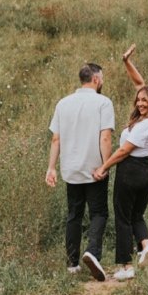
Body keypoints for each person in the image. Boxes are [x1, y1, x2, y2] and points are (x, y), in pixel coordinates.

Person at [92, 44, 148, 281]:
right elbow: (139, 83)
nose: (140, 103)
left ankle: (126, 266)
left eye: (145, 101)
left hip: (131, 171)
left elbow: (123, 151)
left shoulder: (143, 127)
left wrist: (103, 167)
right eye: (139, 100)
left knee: (122, 217)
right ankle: (146, 246)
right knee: (137, 215)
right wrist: (126, 62)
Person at [46, 61, 114, 280]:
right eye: (101, 78)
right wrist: (106, 165)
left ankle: (72, 264)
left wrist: (51, 168)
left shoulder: (63, 104)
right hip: (95, 168)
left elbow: (56, 138)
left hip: (71, 169)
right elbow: (105, 137)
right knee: (99, 213)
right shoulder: (104, 103)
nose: (102, 81)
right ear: (95, 79)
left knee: (73, 215)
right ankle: (92, 252)